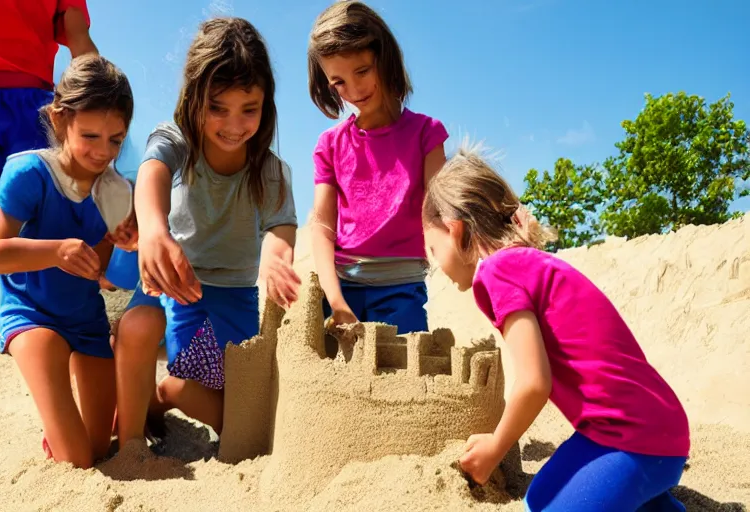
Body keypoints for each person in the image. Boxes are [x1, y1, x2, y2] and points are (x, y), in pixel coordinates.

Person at [421, 146, 691, 511]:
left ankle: (642, 483)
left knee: (543, 507)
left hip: (629, 438)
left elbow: (534, 383)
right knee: (547, 494)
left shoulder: (495, 273)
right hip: (657, 429)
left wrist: (495, 447)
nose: (435, 266)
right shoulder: (531, 264)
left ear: (455, 232)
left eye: (433, 251)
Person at [113, 17, 300, 449]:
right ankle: (161, 399)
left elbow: (281, 224)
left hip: (236, 295)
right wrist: (155, 229)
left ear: (265, 104)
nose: (234, 124)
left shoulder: (271, 171)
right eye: (218, 107)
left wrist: (276, 252)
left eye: (248, 109)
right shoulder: (179, 140)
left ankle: (162, 399)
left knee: (243, 389)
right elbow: (152, 172)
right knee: (198, 384)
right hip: (183, 285)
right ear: (194, 98)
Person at [0, 54, 135, 469]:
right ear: (59, 119)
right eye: (90, 136)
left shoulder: (116, 191)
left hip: (85, 319)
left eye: (116, 140)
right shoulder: (30, 173)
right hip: (32, 313)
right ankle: (58, 411)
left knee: (101, 448)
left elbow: (101, 275)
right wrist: (56, 250)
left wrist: (118, 241)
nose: (103, 151)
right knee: (78, 461)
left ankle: (73, 404)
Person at [307, 0, 448, 334]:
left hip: (402, 290)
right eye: (338, 82)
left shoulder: (427, 134)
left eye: (362, 71)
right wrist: (336, 300)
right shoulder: (330, 144)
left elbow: (442, 215)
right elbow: (322, 225)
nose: (353, 90)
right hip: (343, 290)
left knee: (403, 379)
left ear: (384, 58)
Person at [0, 0, 99, 247]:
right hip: (32, 107)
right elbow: (78, 36)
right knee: (37, 214)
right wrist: (100, 104)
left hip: (18, 104)